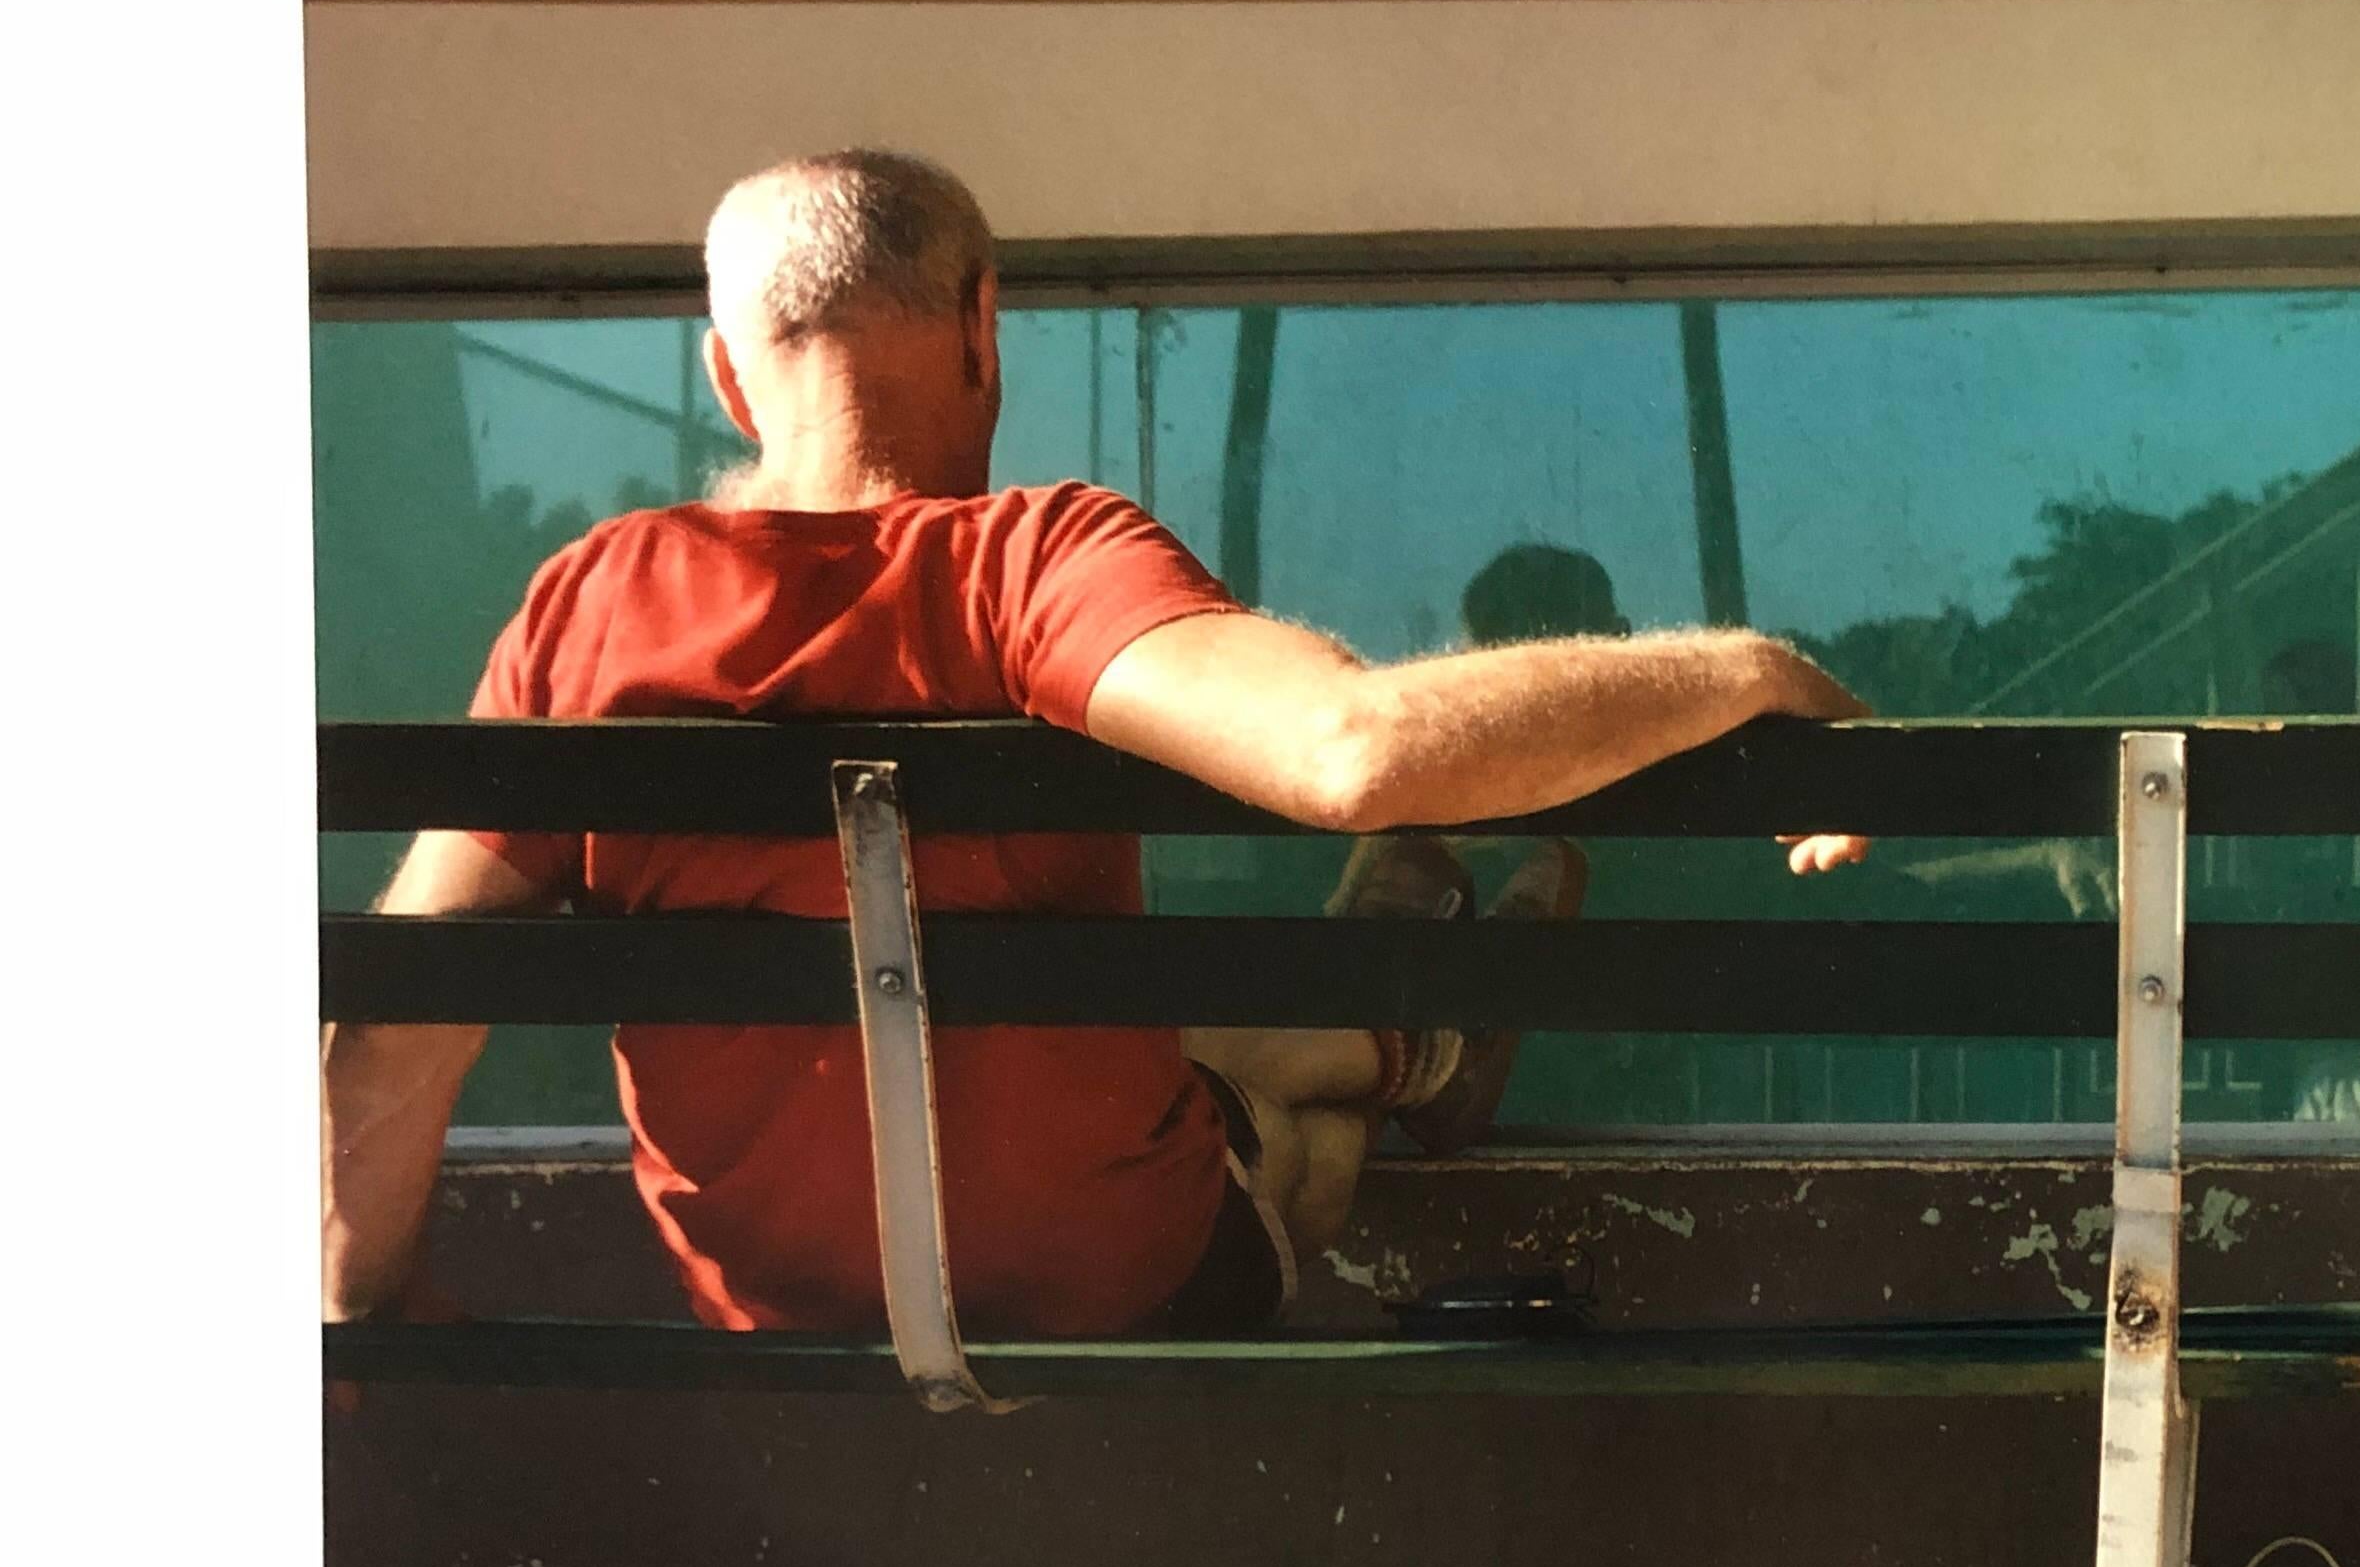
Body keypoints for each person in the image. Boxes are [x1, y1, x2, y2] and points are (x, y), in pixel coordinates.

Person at [321, 149, 1868, 1338]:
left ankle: (1404, 1017)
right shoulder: (1030, 562)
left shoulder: (587, 611)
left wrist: (365, 1337)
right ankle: (1419, 1044)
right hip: (1130, 1291)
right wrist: (1747, 667)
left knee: (1144, 1044)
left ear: (730, 373)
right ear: (985, 329)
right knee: (1276, 1138)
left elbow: (397, 1027)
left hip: (776, 1333)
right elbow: (1355, 751)